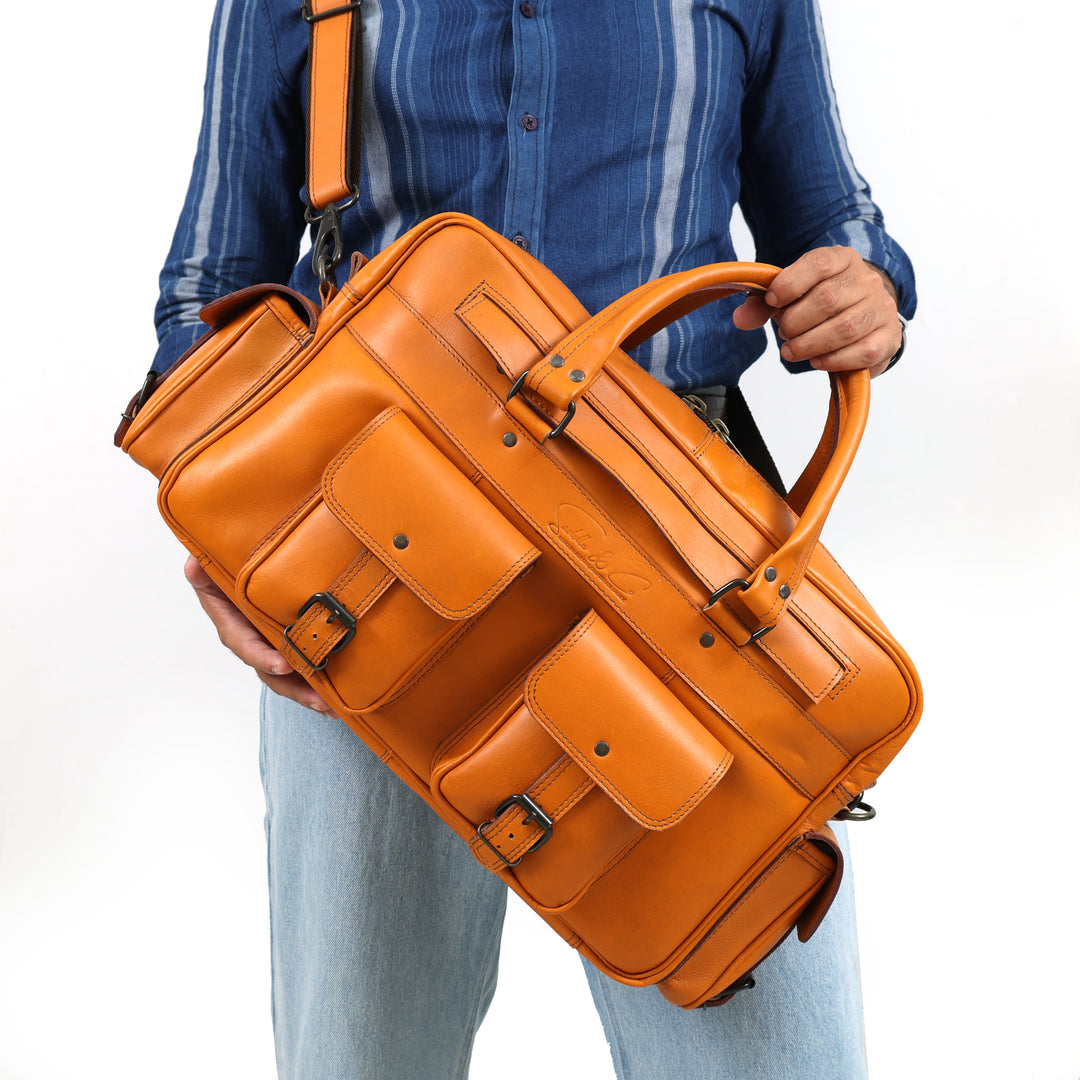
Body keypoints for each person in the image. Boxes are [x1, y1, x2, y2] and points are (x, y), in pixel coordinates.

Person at [151, 2, 916, 1077]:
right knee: (361, 1060)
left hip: (681, 560)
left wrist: (862, 288)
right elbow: (207, 296)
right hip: (369, 553)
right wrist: (225, 537)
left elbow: (830, 220)